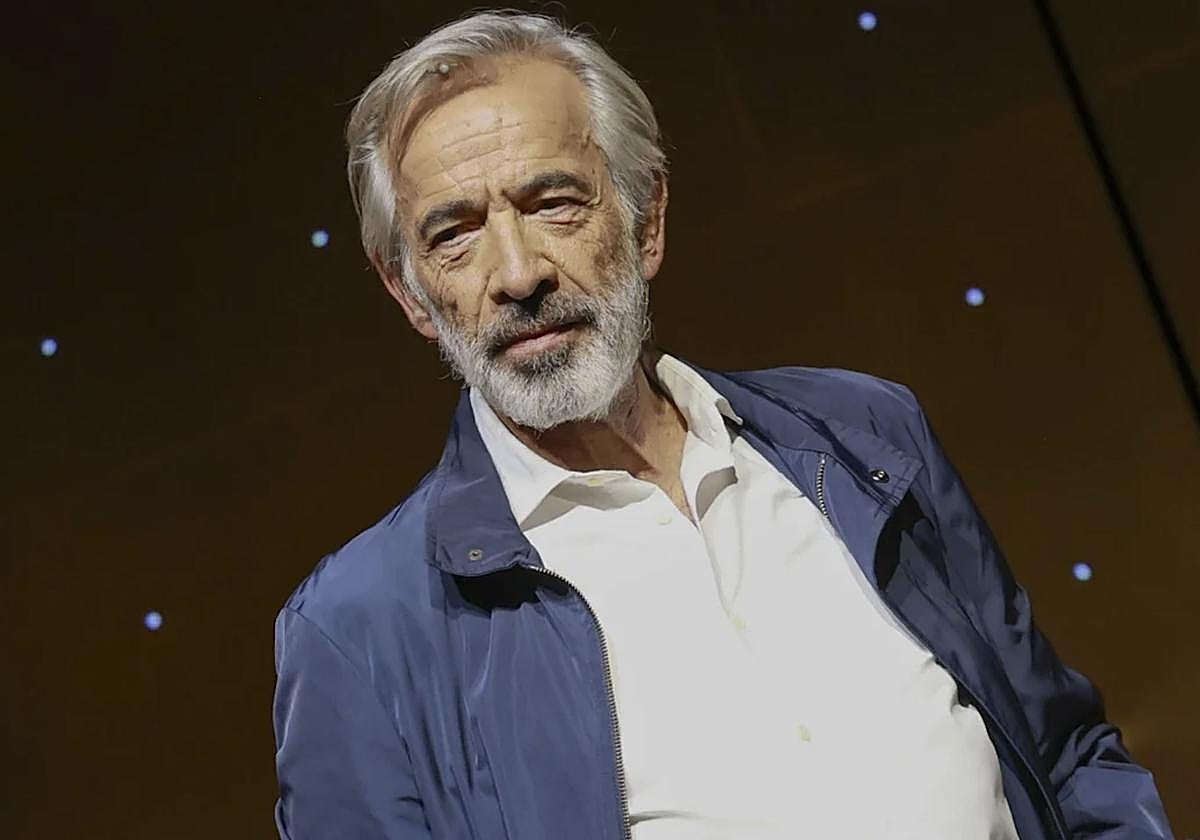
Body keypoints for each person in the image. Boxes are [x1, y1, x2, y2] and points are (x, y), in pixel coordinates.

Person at [271, 10, 1174, 839]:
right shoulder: (359, 631)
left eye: (553, 202)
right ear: (410, 293)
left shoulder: (865, 436)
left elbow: (1065, 759)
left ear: (647, 220)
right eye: (454, 234)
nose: (517, 273)